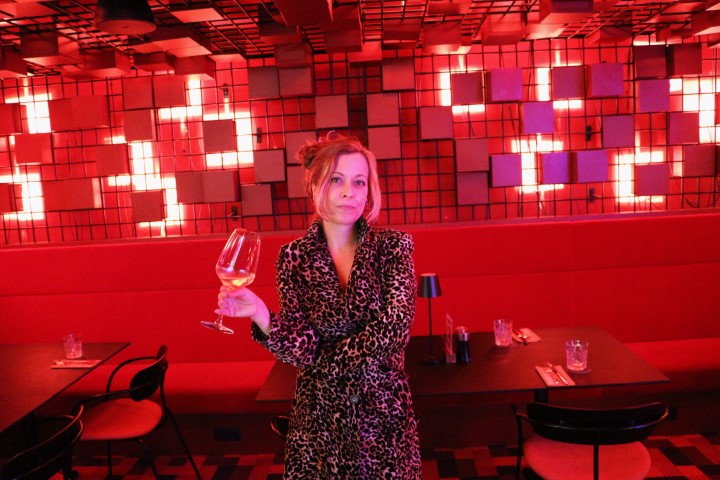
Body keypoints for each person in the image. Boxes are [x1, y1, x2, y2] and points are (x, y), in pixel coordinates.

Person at [216, 133, 421, 479]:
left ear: (369, 191)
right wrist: (260, 314)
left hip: (383, 416)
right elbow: (302, 347)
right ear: (314, 187)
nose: (349, 192)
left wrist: (324, 364)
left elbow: (394, 330)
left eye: (359, 182)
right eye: (336, 180)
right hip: (319, 420)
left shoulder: (393, 247)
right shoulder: (293, 258)